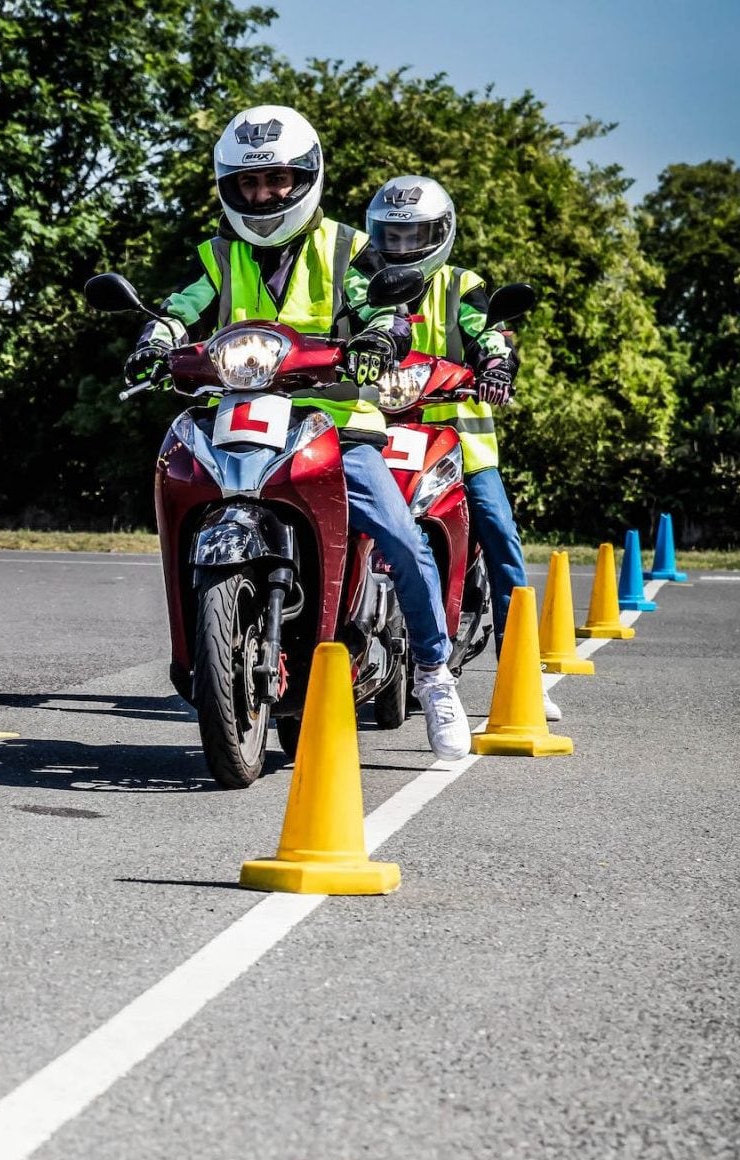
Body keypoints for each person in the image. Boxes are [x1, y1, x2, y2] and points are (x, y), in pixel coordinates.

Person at [128, 106, 470, 760]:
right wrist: (154, 339)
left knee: (399, 534)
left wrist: (378, 334)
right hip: (241, 416)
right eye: (249, 183)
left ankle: (433, 675)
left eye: (278, 180)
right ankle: (203, 648)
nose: (263, 195)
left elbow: (384, 305)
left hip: (338, 425)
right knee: (178, 471)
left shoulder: (347, 247)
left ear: (305, 178)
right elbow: (180, 309)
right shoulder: (218, 254)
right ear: (229, 186)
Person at [363, 174, 560, 721]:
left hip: (459, 437)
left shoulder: (460, 282)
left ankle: (524, 671)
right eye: (392, 236)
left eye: (415, 235)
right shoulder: (361, 278)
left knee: (499, 534)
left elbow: (485, 331)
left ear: (442, 233)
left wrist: (495, 363)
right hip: (380, 432)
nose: (402, 247)